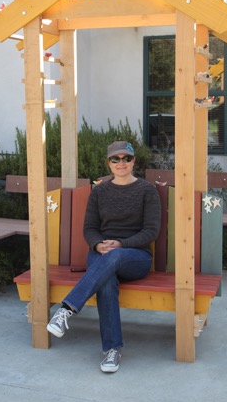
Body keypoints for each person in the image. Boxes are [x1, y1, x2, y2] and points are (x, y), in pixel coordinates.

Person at [47, 140, 161, 373]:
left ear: (133, 161)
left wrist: (120, 243)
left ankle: (67, 309)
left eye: (126, 158)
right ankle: (112, 350)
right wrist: (98, 245)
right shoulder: (99, 191)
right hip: (101, 254)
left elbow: (151, 232)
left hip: (135, 257)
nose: (121, 163)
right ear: (108, 163)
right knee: (106, 282)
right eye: (115, 159)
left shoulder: (147, 191)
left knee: (115, 257)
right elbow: (90, 228)